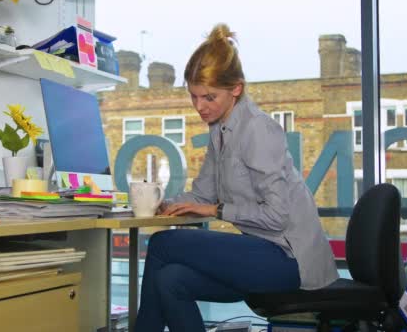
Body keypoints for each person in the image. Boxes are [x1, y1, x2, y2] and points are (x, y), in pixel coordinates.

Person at [134, 23, 339, 332]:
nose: (200, 107)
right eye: (194, 97)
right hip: (261, 252)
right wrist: (165, 204)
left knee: (163, 244)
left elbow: (277, 215)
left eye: (209, 97)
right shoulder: (221, 129)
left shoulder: (257, 129)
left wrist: (216, 211)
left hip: (291, 261)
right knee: (170, 279)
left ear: (237, 89)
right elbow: (202, 195)